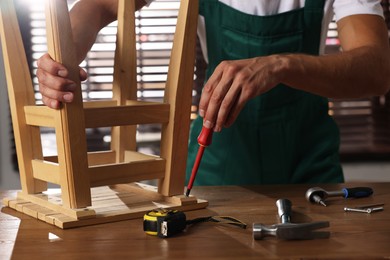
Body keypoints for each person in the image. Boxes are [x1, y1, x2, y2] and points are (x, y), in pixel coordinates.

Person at [37, 0, 390, 186]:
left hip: (309, 168)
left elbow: (377, 70)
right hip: (215, 167)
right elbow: (98, 5)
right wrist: (62, 56)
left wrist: (282, 65)